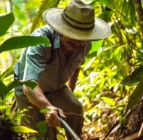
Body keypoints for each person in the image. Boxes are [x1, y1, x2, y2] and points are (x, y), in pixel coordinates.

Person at [13, 0, 111, 139]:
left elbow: (76, 67)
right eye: (74, 37)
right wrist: (49, 107)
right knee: (40, 135)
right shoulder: (41, 40)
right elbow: (29, 86)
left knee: (75, 110)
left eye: (83, 38)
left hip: (56, 88)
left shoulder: (84, 45)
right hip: (28, 90)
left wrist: (70, 92)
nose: (79, 43)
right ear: (61, 30)